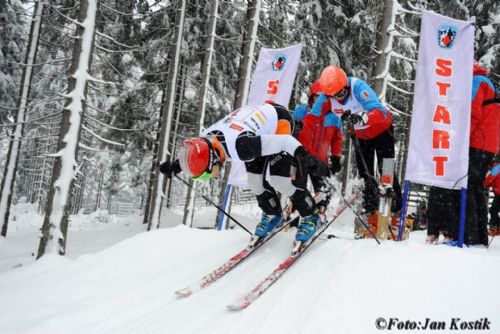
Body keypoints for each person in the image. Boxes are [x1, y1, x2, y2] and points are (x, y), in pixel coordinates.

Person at [159, 103, 324, 243]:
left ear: (215, 159)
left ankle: (311, 215)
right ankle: (273, 214)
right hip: (254, 130)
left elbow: (284, 142)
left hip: (278, 121)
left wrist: (305, 156)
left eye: (207, 174)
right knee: (254, 182)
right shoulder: (206, 140)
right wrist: (176, 166)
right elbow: (195, 153)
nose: (211, 177)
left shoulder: (241, 147)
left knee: (279, 180)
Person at [317, 65, 402, 236]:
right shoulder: (328, 96)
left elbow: (378, 111)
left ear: (345, 87)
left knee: (386, 173)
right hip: (362, 136)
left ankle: (395, 214)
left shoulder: (357, 87)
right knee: (365, 175)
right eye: (333, 96)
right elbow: (315, 113)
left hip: (382, 130)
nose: (338, 99)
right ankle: (371, 214)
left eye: (341, 94)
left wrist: (363, 117)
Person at [292, 80, 343, 214]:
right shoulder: (301, 111)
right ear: (311, 97)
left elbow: (337, 139)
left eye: (323, 98)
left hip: (320, 160)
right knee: (296, 187)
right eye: (316, 97)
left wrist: (336, 157)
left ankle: (320, 211)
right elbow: (291, 130)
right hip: (300, 157)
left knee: (323, 190)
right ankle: (292, 212)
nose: (319, 101)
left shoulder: (334, 117)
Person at [462, 62, 499, 246]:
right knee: (477, 189)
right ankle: (479, 236)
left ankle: (470, 235)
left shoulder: (477, 82)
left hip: (478, 142)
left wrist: (462, 138)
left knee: (468, 186)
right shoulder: (489, 82)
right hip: (489, 145)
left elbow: (473, 113)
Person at [484, 161, 500, 236]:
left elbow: (489, 180)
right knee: (494, 210)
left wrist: (483, 185)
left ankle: (494, 228)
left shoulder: (495, 168)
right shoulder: (497, 167)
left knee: (493, 210)